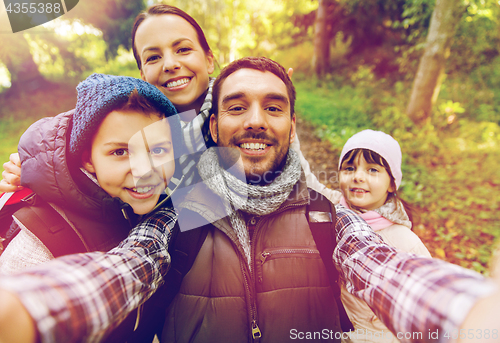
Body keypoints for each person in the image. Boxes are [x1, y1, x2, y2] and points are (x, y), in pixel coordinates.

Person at [0, 57, 498, 343]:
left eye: (273, 107)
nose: (256, 120)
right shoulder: (179, 208)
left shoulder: (327, 212)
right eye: (236, 106)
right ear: (213, 126)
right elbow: (128, 267)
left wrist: (468, 312)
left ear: (291, 126)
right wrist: (29, 308)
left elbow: (380, 267)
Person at [0, 4, 328, 200]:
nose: (170, 63)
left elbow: (307, 189)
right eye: (154, 57)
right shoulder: (128, 124)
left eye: (183, 49)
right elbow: (80, 157)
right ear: (142, 73)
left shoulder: (246, 119)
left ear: (209, 60)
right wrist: (36, 167)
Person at [0, 73, 183, 341]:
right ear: (87, 159)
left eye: (158, 151)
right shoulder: (38, 239)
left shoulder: (130, 206)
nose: (145, 171)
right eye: (120, 152)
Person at [326, 129, 431, 342]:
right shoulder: (332, 215)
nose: (357, 176)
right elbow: (306, 180)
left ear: (392, 183)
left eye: (372, 170)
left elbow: (426, 311)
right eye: (349, 168)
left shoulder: (406, 243)